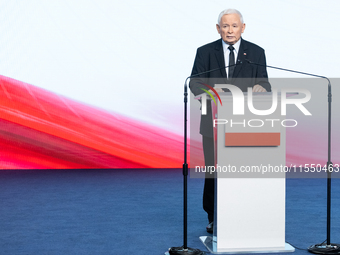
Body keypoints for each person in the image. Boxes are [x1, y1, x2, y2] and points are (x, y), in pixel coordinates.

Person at [189, 8, 271, 233]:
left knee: (242, 172)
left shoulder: (256, 52)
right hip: (213, 123)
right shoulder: (205, 52)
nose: (230, 30)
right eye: (225, 26)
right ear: (218, 28)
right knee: (213, 171)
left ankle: (243, 215)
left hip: (245, 124)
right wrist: (207, 93)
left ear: (242, 28)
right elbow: (194, 82)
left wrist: (260, 88)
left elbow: (265, 84)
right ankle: (214, 216)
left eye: (234, 26)